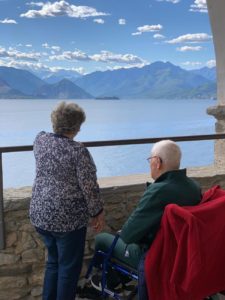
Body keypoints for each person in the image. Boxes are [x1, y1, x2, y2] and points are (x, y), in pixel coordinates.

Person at [91, 140, 201, 299]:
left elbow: (128, 235)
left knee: (102, 239)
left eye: (150, 160)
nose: (150, 164)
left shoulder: (157, 191)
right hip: (184, 254)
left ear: (157, 162)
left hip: (156, 255)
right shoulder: (194, 187)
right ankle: (119, 279)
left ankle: (106, 280)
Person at [30, 101, 104, 300]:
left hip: (41, 214)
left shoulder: (40, 140)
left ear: (55, 121)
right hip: (67, 221)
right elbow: (89, 187)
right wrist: (97, 212)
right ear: (78, 126)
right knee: (68, 269)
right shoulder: (78, 151)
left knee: (53, 262)